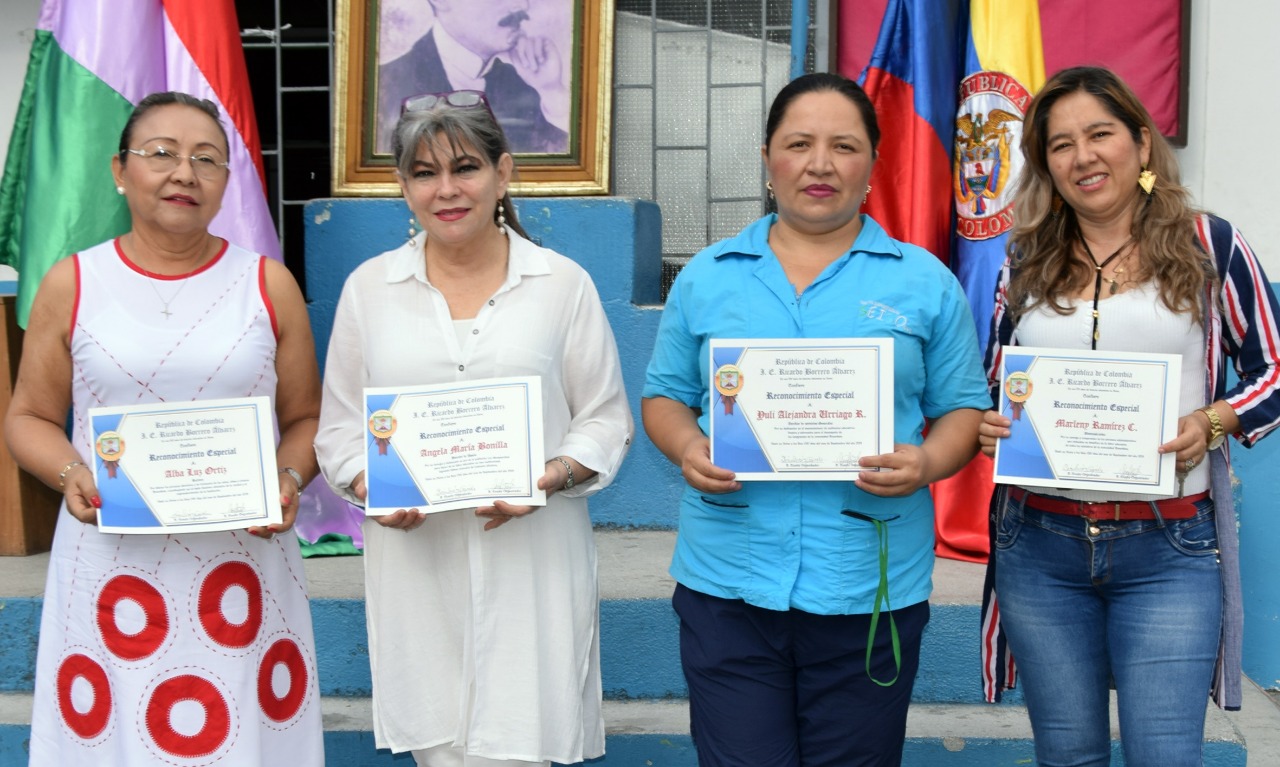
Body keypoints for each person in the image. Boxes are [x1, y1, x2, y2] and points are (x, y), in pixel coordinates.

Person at [641, 72, 989, 767]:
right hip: (728, 584)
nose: (820, 164)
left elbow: (962, 411)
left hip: (869, 583)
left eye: (844, 146)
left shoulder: (923, 281)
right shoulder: (708, 275)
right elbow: (664, 397)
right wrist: (688, 446)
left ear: (873, 164)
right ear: (768, 156)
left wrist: (926, 462)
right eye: (799, 143)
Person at [4, 92, 324, 765]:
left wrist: (289, 478)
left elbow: (305, 418)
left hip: (241, 562)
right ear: (120, 170)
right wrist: (72, 473)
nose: (185, 173)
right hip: (112, 563)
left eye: (207, 159)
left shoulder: (267, 284)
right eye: (162, 154)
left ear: (226, 184)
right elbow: (29, 416)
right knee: (114, 734)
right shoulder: (73, 281)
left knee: (241, 733)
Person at [314, 90, 632, 767]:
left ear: (503, 173)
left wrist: (549, 476)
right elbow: (338, 431)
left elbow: (604, 416)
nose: (447, 189)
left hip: (533, 559)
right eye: (424, 173)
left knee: (523, 739)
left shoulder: (561, 284)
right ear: (403, 187)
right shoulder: (369, 290)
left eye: (465, 167)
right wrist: (372, 483)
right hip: (417, 564)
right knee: (441, 750)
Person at [977, 66, 1280, 766]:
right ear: (1044, 164)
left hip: (1168, 547)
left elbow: (1274, 368)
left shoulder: (1210, 245)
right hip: (1038, 543)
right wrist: (993, 417)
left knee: (1165, 756)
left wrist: (1211, 422)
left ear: (1141, 143)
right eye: (1059, 144)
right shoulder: (1023, 256)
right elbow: (996, 379)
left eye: (1100, 134)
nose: (1081, 156)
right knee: (1069, 754)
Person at [377, 0, 569, 155]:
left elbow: (555, 167)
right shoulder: (385, 88)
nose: (522, 6)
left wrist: (551, 90)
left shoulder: (524, 86)